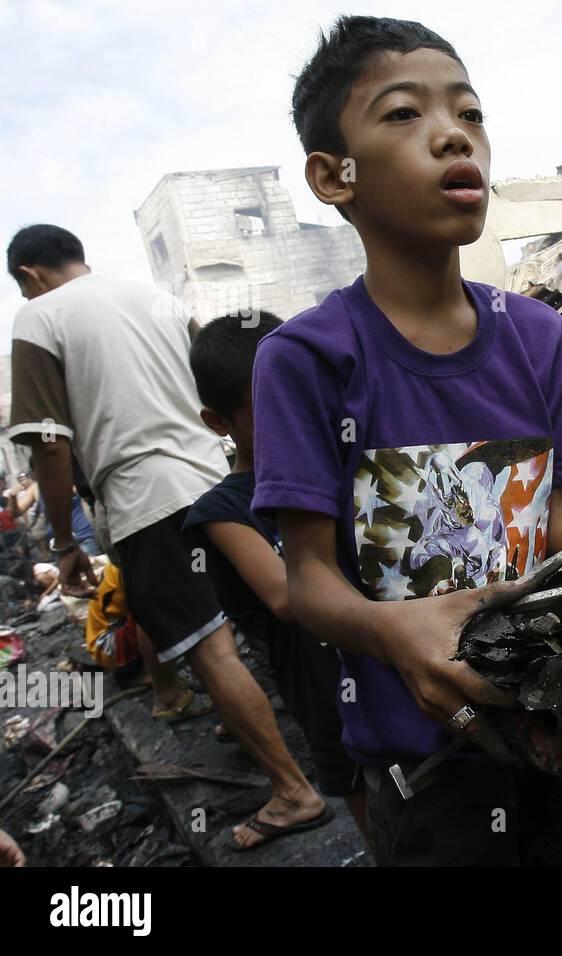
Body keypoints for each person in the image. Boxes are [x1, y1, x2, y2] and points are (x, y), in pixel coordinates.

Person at [254, 15, 562, 865]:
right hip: (425, 768)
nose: (453, 133)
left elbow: (558, 512)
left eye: (470, 112)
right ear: (332, 176)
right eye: (401, 114)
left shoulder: (538, 336)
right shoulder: (306, 360)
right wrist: (396, 631)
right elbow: (308, 582)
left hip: (561, 727)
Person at [6, 224, 330, 849]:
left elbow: (50, 445)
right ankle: (306, 735)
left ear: (29, 276)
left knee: (210, 652)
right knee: (255, 624)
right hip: (216, 477)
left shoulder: (37, 318)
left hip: (146, 499)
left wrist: (64, 545)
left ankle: (294, 792)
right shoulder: (157, 301)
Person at [184, 312, 366, 843]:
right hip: (330, 694)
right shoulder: (222, 512)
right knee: (383, 823)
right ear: (218, 422)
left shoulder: (347, 465)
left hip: (394, 672)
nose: (300, 416)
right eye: (270, 407)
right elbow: (289, 598)